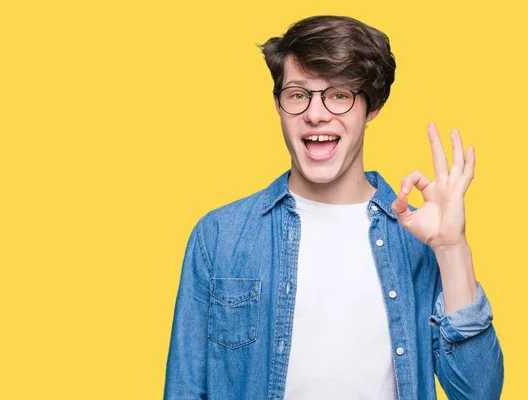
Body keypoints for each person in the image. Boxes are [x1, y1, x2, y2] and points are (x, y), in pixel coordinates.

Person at [164, 15, 504, 400]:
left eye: (339, 95)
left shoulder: (417, 242)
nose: (316, 113)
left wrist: (451, 249)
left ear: (370, 107)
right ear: (279, 105)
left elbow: (479, 392)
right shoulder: (220, 236)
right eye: (298, 94)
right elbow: (185, 389)